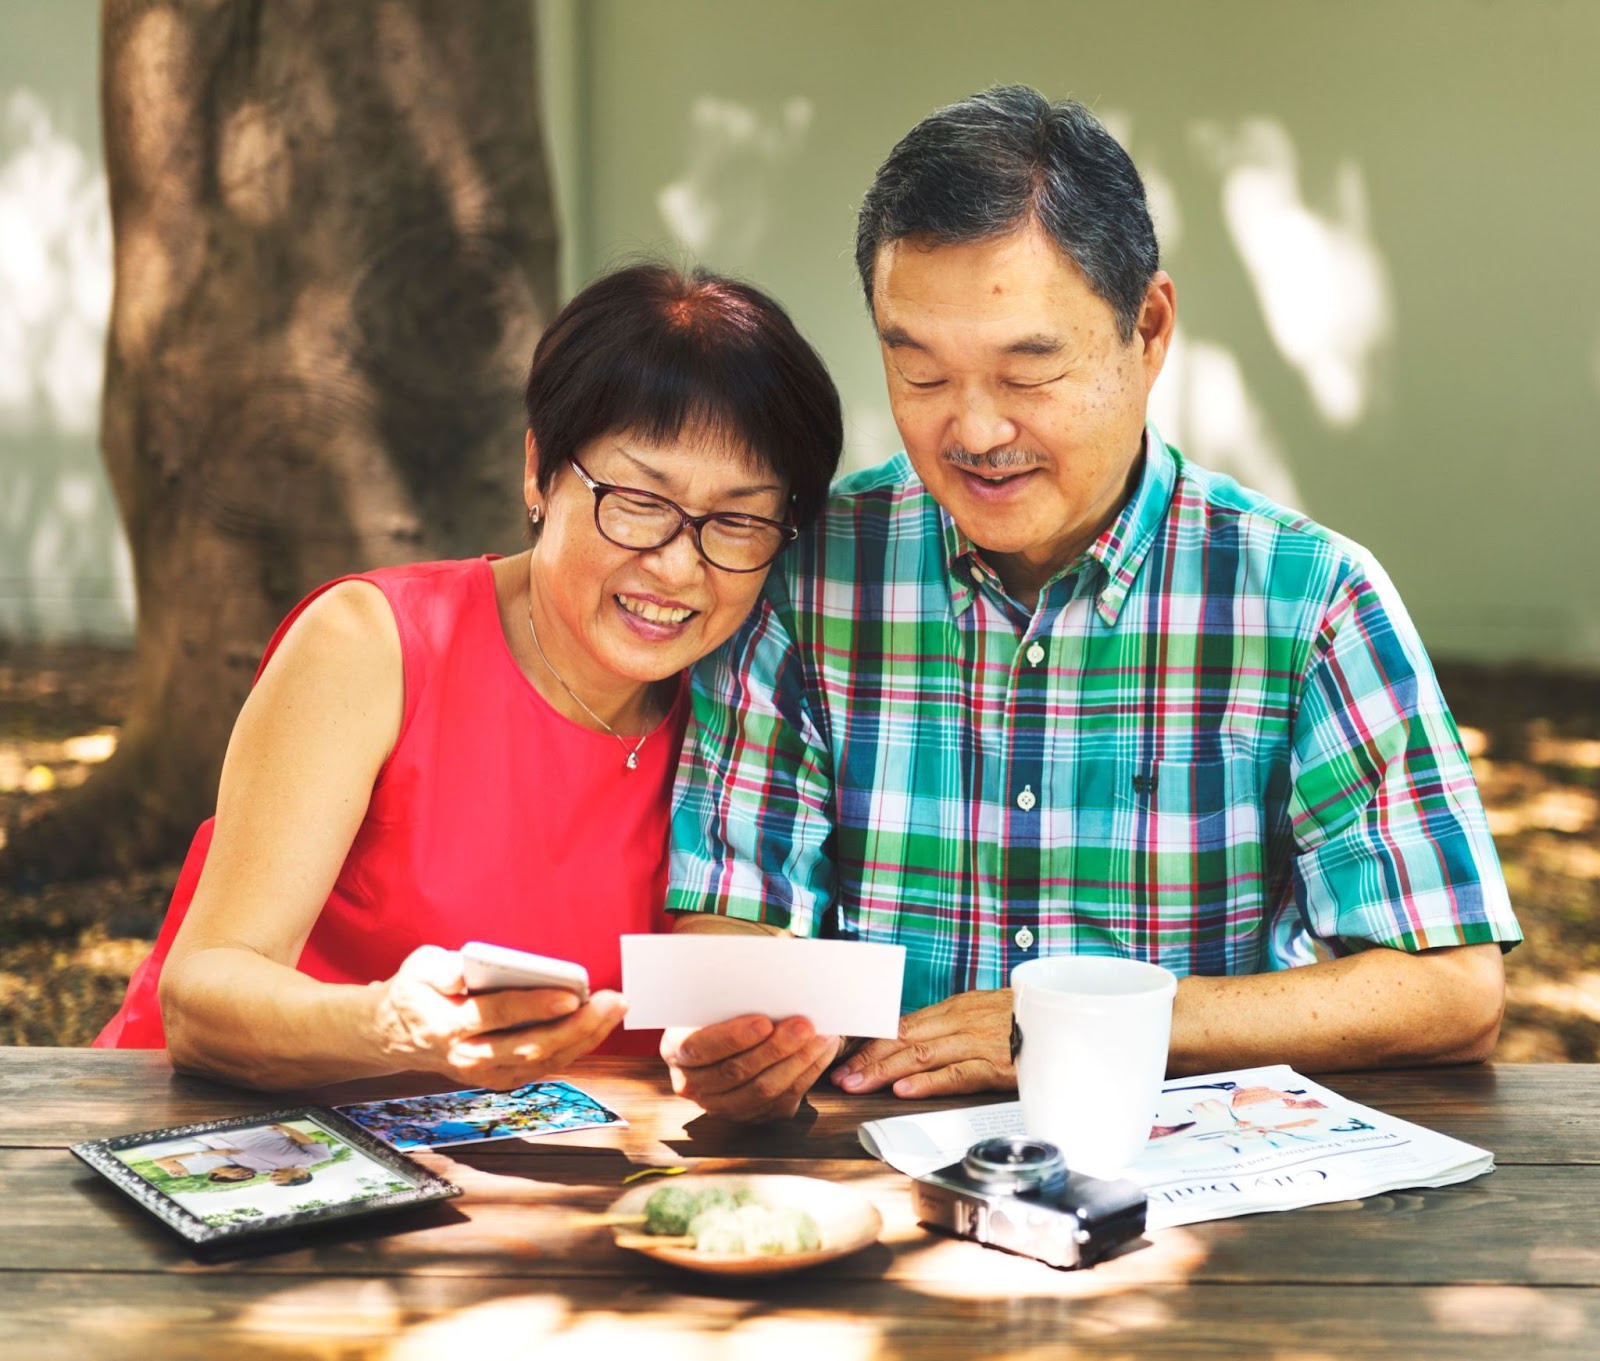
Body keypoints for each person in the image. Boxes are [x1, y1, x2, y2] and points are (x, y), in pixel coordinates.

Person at [663, 86, 1521, 1121]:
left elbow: (1448, 987)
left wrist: (1085, 1021)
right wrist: (735, 1027)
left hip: (1201, 1213)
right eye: (918, 367)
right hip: (872, 1194)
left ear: (1147, 329)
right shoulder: (804, 577)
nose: (973, 430)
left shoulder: (1309, 600)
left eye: (1029, 370)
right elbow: (732, 917)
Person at [94, 264, 843, 1092]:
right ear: (538, 472)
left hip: (536, 1189)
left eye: (736, 519)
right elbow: (202, 994)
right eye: (636, 500)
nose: (676, 565)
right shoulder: (374, 645)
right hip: (230, 1144)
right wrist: (391, 1025)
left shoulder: (754, 707)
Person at [153, 1123, 333, 1185]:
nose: (273, 1177)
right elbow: (307, 1142)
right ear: (302, 1174)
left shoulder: (258, 1171)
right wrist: (287, 1128)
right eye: (279, 1179)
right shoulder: (317, 1158)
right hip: (250, 1129)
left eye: (274, 1181)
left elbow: (222, 1169)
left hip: (210, 1137)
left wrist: (182, 1171)